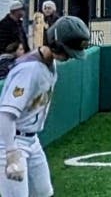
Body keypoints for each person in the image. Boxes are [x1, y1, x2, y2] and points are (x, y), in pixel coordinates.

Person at [0, 15, 90, 197]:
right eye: (68, 52)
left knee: (44, 192)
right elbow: (5, 114)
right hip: (11, 141)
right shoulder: (29, 69)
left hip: (31, 140)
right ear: (57, 45)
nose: (69, 57)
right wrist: (11, 153)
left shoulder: (49, 64)